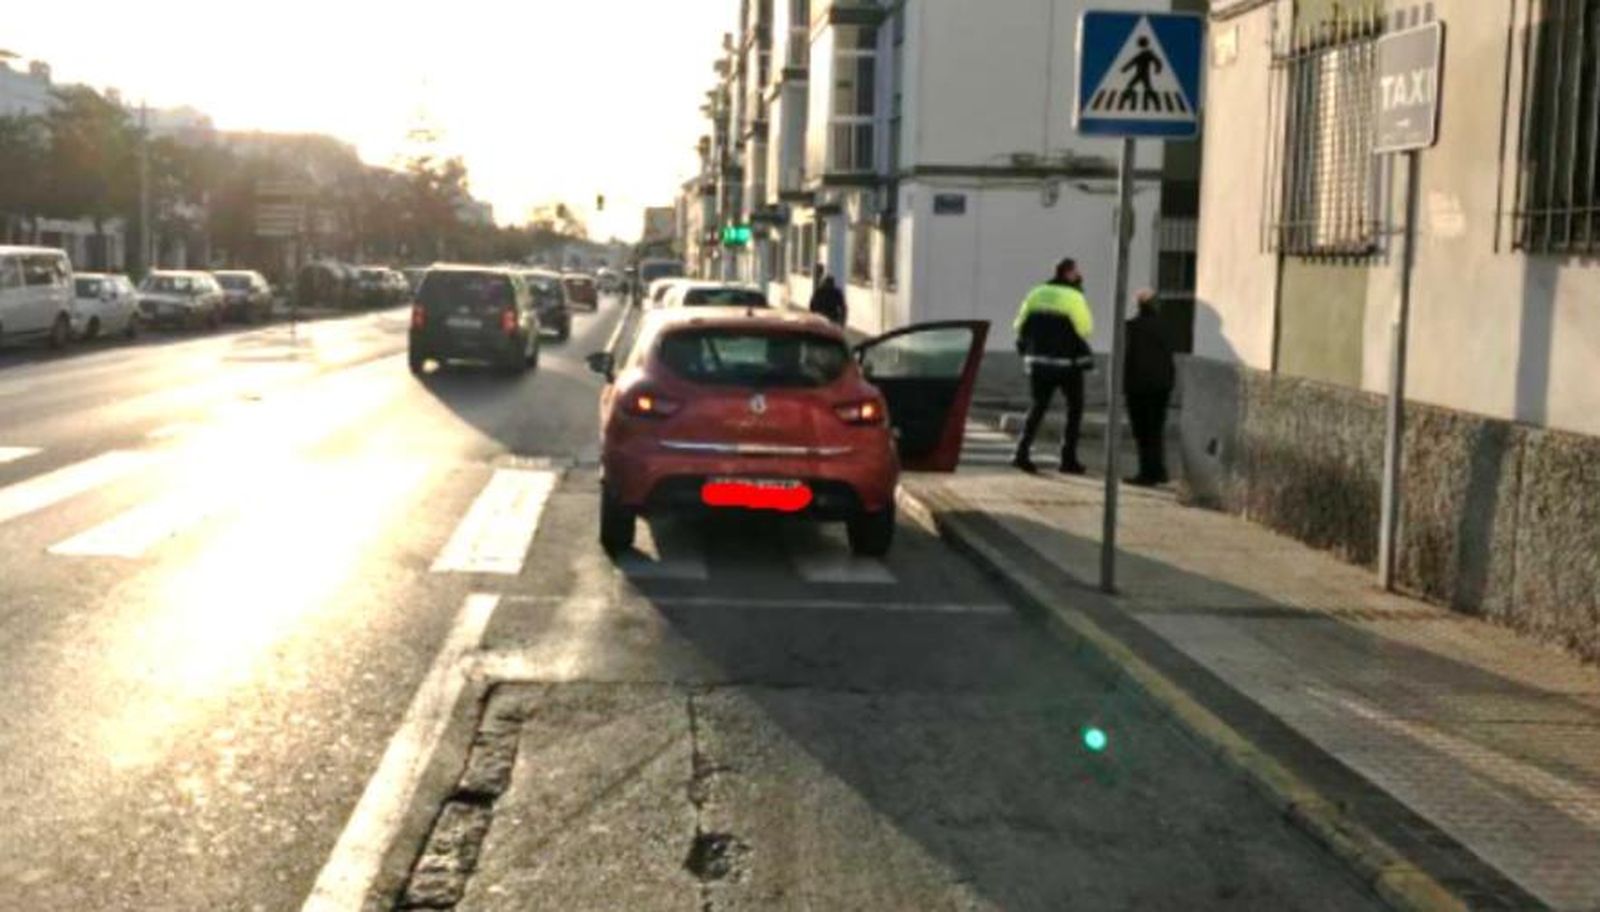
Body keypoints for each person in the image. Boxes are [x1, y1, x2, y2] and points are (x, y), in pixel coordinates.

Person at [1012, 258, 1095, 474]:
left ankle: (1021, 453)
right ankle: (1067, 459)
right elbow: (1085, 329)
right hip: (1066, 364)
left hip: (1038, 362)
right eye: (1076, 272)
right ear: (1069, 273)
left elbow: (1018, 325)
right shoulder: (1074, 297)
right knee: (1074, 409)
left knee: (1037, 407)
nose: (1079, 275)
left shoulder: (1036, 292)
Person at [1124, 289, 1176, 486]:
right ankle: (1158, 470)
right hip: (1162, 385)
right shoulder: (1166, 326)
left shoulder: (1132, 327)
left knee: (1142, 432)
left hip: (1138, 386)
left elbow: (1126, 357)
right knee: (1156, 430)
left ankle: (1146, 473)